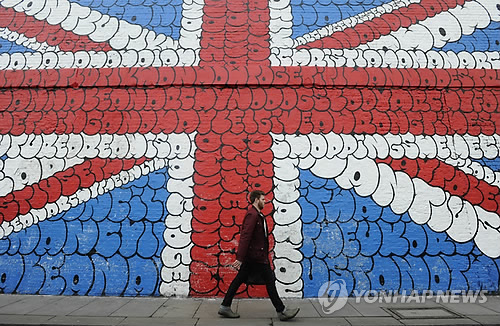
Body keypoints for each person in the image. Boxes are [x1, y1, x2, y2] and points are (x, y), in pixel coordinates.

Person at [218, 190, 300, 321]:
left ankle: (225, 306)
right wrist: (239, 258)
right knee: (269, 281)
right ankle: (281, 311)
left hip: (255, 256)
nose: (265, 201)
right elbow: (246, 236)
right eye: (262, 199)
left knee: (240, 279)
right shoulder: (252, 215)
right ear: (256, 200)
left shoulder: (257, 214)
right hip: (256, 256)